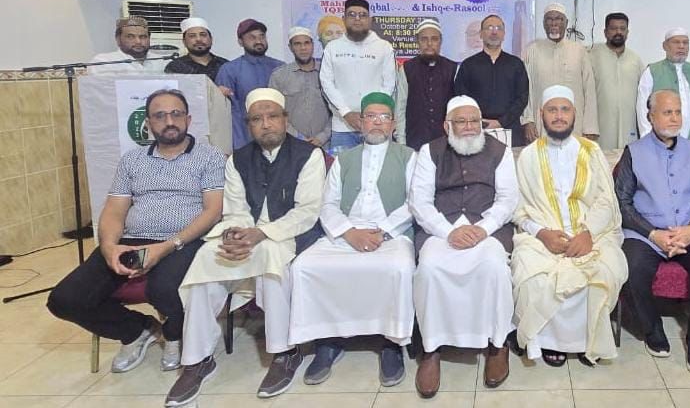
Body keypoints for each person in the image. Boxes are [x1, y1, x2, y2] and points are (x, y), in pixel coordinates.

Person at [47, 89, 225, 375]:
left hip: (183, 241)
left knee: (163, 289)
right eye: (160, 116)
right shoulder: (132, 160)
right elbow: (114, 211)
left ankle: (175, 335)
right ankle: (136, 330)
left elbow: (213, 211)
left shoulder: (210, 157)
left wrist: (165, 247)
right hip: (132, 242)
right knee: (64, 300)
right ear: (148, 123)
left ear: (189, 119)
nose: (169, 121)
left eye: (176, 114)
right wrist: (109, 247)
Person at [166, 88, 324, 406]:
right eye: (257, 119)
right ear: (248, 124)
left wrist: (261, 233)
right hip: (246, 234)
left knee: (271, 260)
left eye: (272, 116)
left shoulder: (309, 155)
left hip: (287, 235)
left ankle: (284, 352)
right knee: (207, 258)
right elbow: (235, 208)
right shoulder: (237, 159)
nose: (266, 124)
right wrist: (235, 234)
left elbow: (307, 211)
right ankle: (196, 359)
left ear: (285, 119)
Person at [290, 92, 418, 386]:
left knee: (398, 268)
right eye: (371, 116)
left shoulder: (409, 156)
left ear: (393, 124)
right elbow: (328, 204)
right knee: (305, 267)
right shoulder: (343, 159)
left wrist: (382, 231)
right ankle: (327, 341)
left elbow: (414, 203)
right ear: (361, 123)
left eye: (384, 117)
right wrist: (349, 233)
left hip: (392, 234)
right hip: (344, 232)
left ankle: (391, 343)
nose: (377, 122)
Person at [408, 96, 519, 397]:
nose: (469, 126)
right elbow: (419, 202)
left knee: (494, 267)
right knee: (429, 268)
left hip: (486, 229)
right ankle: (431, 349)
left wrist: (482, 229)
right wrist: (448, 232)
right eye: (461, 121)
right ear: (447, 126)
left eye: (474, 121)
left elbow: (508, 199)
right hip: (441, 230)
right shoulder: (429, 152)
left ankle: (497, 344)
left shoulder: (500, 151)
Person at [512, 85, 628, 367]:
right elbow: (518, 209)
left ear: (574, 113)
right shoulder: (528, 156)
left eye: (565, 109)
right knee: (533, 276)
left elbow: (606, 200)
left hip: (592, 234)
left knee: (605, 271)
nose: (559, 116)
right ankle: (551, 342)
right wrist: (543, 234)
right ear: (542, 114)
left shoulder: (591, 150)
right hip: (542, 237)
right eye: (552, 110)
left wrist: (588, 234)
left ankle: (590, 340)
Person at [616, 89, 690, 374]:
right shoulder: (634, 152)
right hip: (647, 234)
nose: (674, 118)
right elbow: (622, 202)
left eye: (678, 112)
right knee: (631, 264)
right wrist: (652, 233)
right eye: (667, 112)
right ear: (650, 116)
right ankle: (652, 330)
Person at [320, 0, 397, 151]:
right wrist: (346, 113)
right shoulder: (332, 48)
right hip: (342, 127)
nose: (357, 19)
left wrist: (370, 115)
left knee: (378, 166)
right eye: (352, 15)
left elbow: (389, 84)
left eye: (362, 15)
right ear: (344, 19)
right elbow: (326, 83)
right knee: (343, 166)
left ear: (370, 20)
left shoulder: (384, 47)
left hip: (376, 126)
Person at [522, 3, 598, 143]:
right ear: (544, 23)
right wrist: (528, 121)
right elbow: (526, 89)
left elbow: (589, 90)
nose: (554, 23)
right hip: (542, 126)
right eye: (549, 19)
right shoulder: (532, 51)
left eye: (558, 19)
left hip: (575, 126)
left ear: (566, 23)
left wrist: (590, 128)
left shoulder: (579, 51)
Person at [454, 14, 530, 146]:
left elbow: (522, 98)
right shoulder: (469, 65)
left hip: (510, 131)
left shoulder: (515, 64)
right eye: (489, 28)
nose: (494, 32)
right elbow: (461, 97)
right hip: (476, 130)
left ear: (504, 34)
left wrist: (501, 122)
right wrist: (478, 121)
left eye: (498, 28)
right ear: (481, 34)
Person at [636, 28, 690, 148]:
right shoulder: (652, 71)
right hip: (660, 142)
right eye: (676, 42)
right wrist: (647, 138)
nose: (681, 46)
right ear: (665, 46)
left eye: (685, 43)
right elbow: (642, 108)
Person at [215, 18, 285, 149]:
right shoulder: (229, 70)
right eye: (252, 37)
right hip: (244, 140)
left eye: (262, 36)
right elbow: (227, 112)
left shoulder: (280, 68)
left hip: (277, 140)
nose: (258, 41)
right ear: (240, 42)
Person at [394, 19, 457, 149]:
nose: (429, 44)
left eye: (434, 39)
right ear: (417, 42)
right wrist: (401, 141)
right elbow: (400, 107)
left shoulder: (453, 69)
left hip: (446, 143)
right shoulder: (407, 68)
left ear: (440, 41)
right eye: (424, 39)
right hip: (415, 141)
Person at [269, 27, 332, 148]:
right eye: (297, 44)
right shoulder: (279, 76)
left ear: (313, 45)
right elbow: (275, 113)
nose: (303, 48)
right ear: (290, 47)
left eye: (307, 43)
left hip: (325, 144)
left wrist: (322, 137)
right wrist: (298, 138)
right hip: (291, 144)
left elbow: (337, 111)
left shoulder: (327, 72)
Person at [590, 12, 644, 150]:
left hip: (629, 128)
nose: (618, 32)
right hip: (600, 128)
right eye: (613, 28)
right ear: (605, 32)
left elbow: (643, 97)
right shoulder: (592, 56)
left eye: (622, 28)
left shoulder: (635, 60)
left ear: (627, 32)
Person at [89, 16, 167, 75]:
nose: (138, 42)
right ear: (118, 39)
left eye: (143, 37)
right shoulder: (104, 62)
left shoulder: (162, 61)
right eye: (130, 37)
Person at [165, 17, 229, 82]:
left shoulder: (224, 65)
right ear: (184, 42)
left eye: (203, 35)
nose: (198, 39)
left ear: (211, 39)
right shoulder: (175, 67)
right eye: (192, 36)